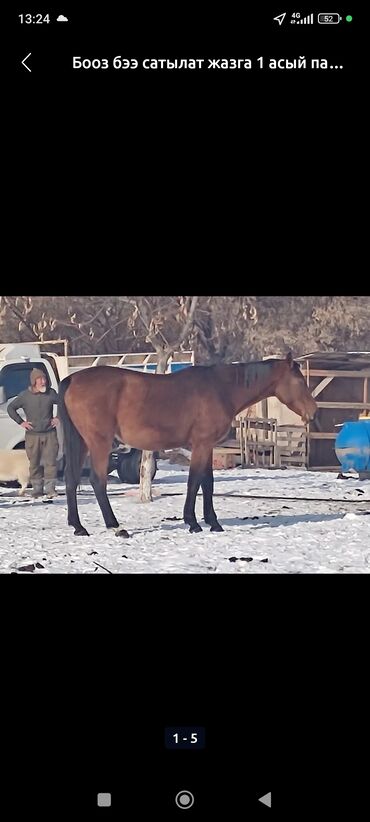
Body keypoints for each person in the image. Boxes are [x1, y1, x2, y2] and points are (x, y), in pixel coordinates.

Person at [7, 368, 60, 498]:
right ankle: (37, 489)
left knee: (50, 462)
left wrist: (58, 417)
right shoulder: (25, 396)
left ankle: (50, 489)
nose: (43, 382)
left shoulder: (51, 393)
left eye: (44, 379)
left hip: (49, 434)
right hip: (32, 435)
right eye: (40, 379)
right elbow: (11, 408)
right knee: (34, 463)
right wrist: (21, 422)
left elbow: (63, 404)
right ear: (34, 381)